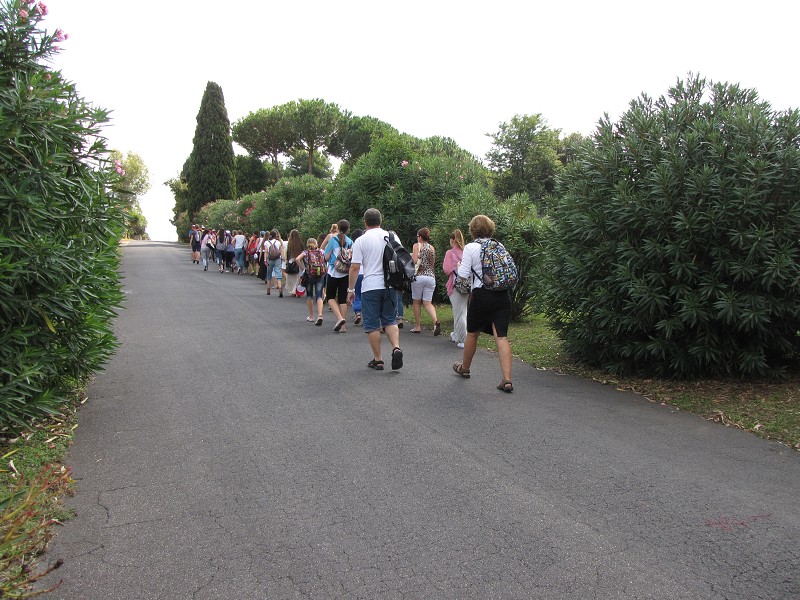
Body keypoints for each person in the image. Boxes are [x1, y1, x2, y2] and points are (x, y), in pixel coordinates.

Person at [453, 215, 513, 393]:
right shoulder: (498, 245)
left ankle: (465, 368)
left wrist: (458, 267)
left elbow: (463, 275)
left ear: (473, 230)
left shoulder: (471, 247)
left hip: (482, 295)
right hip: (502, 295)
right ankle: (507, 379)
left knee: (472, 334)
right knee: (501, 336)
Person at [347, 208, 403, 371]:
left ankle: (378, 359)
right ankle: (396, 347)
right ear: (381, 220)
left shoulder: (361, 241)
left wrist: (351, 290)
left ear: (365, 222)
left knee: (372, 324)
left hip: (370, 286)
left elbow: (355, 267)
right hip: (390, 285)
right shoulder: (391, 236)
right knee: (390, 320)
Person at [409, 227, 440, 336]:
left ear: (420, 237)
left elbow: (415, 261)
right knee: (427, 303)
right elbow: (432, 264)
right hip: (431, 277)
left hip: (419, 276)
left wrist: (412, 256)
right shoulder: (432, 248)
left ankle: (417, 326)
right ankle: (435, 321)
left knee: (416, 302)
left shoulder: (417, 246)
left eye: (418, 236)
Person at [324, 219, 352, 332]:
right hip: (345, 272)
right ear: (348, 229)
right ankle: (343, 327)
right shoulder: (350, 241)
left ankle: (340, 318)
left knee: (330, 297)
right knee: (342, 300)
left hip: (333, 271)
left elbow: (326, 257)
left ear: (338, 228)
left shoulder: (332, 240)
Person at [443, 229, 468, 348]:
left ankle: (463, 339)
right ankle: (456, 334)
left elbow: (446, 269)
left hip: (455, 286)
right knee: (461, 310)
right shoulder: (465, 252)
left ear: (452, 240)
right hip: (466, 286)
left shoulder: (450, 253)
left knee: (459, 313)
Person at [297, 238, 326, 324]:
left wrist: (303, 269)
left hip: (309, 275)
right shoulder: (321, 251)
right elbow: (326, 259)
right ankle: (320, 315)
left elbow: (297, 259)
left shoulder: (305, 252)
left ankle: (311, 316)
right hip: (320, 274)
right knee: (319, 295)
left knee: (309, 295)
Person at [350, 229, 364, 325]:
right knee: (365, 295)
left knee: (356, 294)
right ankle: (366, 315)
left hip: (357, 273)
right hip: (366, 273)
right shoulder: (366, 243)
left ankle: (357, 313)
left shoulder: (354, 246)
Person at [284, 229, 304, 296]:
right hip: (299, 261)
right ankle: (297, 290)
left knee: (292, 277)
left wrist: (287, 261)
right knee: (298, 277)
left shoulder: (290, 244)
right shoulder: (301, 243)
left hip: (291, 261)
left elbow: (288, 253)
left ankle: (293, 291)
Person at [264, 230, 283, 297]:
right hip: (277, 259)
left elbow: (266, 251)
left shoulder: (266, 242)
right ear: (275, 236)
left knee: (269, 273)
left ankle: (268, 289)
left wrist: (265, 260)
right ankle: (280, 287)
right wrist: (283, 258)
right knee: (278, 273)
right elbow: (280, 251)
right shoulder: (278, 242)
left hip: (270, 259)